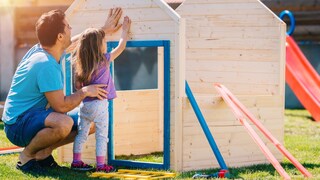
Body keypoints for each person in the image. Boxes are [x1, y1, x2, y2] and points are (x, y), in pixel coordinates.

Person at [1, 8, 123, 174]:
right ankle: (26, 158)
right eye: (68, 27)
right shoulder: (45, 64)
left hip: (32, 116)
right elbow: (61, 107)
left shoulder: (45, 49)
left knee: (90, 121)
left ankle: (43, 154)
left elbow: (74, 41)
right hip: (17, 124)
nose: (71, 30)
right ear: (59, 36)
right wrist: (85, 91)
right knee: (63, 122)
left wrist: (102, 31)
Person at [71, 16, 131, 173]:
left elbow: (78, 87)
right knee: (102, 136)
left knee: (81, 134)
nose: (105, 44)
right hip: (100, 105)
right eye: (104, 42)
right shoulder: (105, 59)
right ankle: (101, 165)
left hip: (84, 106)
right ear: (98, 46)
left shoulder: (80, 64)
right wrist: (124, 31)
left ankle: (76, 161)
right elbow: (121, 46)